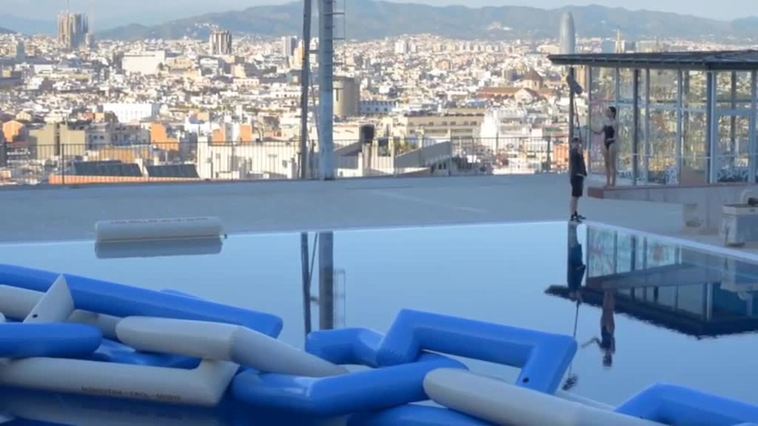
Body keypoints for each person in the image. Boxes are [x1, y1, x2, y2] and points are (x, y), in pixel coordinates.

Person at [582, 290, 616, 368]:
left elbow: (596, 339)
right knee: (609, 311)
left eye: (604, 359)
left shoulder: (602, 350)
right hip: (609, 331)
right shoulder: (612, 351)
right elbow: (613, 339)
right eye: (605, 359)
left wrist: (587, 343)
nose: (604, 358)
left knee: (604, 310)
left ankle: (606, 292)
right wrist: (609, 350)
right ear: (609, 359)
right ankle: (611, 293)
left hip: (603, 330)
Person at [592, 106, 618, 188]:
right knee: (606, 163)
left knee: (612, 163)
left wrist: (611, 139)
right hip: (605, 142)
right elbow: (600, 131)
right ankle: (607, 182)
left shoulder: (615, 123)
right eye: (607, 111)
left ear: (613, 113)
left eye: (609, 111)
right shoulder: (605, 122)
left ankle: (613, 183)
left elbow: (616, 135)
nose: (607, 112)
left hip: (611, 143)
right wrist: (593, 130)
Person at [569, 136, 587, 223]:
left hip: (580, 176)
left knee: (577, 196)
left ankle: (575, 212)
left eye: (577, 142)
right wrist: (580, 149)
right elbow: (576, 156)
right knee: (574, 196)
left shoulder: (579, 152)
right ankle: (572, 214)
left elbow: (582, 163)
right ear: (572, 144)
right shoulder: (573, 152)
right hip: (575, 176)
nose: (576, 144)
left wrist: (584, 173)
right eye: (574, 142)